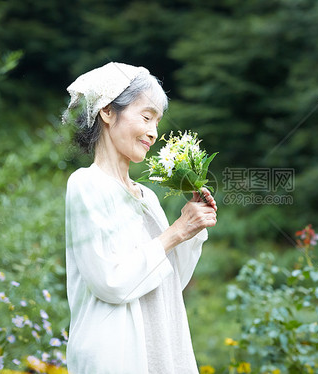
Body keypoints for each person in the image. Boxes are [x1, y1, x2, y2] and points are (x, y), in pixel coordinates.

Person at [63, 62, 217, 373]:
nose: (153, 132)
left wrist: (192, 229)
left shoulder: (147, 196)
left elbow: (170, 280)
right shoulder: (86, 184)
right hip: (115, 355)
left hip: (163, 347)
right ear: (107, 112)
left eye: (157, 122)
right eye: (146, 117)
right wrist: (176, 231)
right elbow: (111, 282)